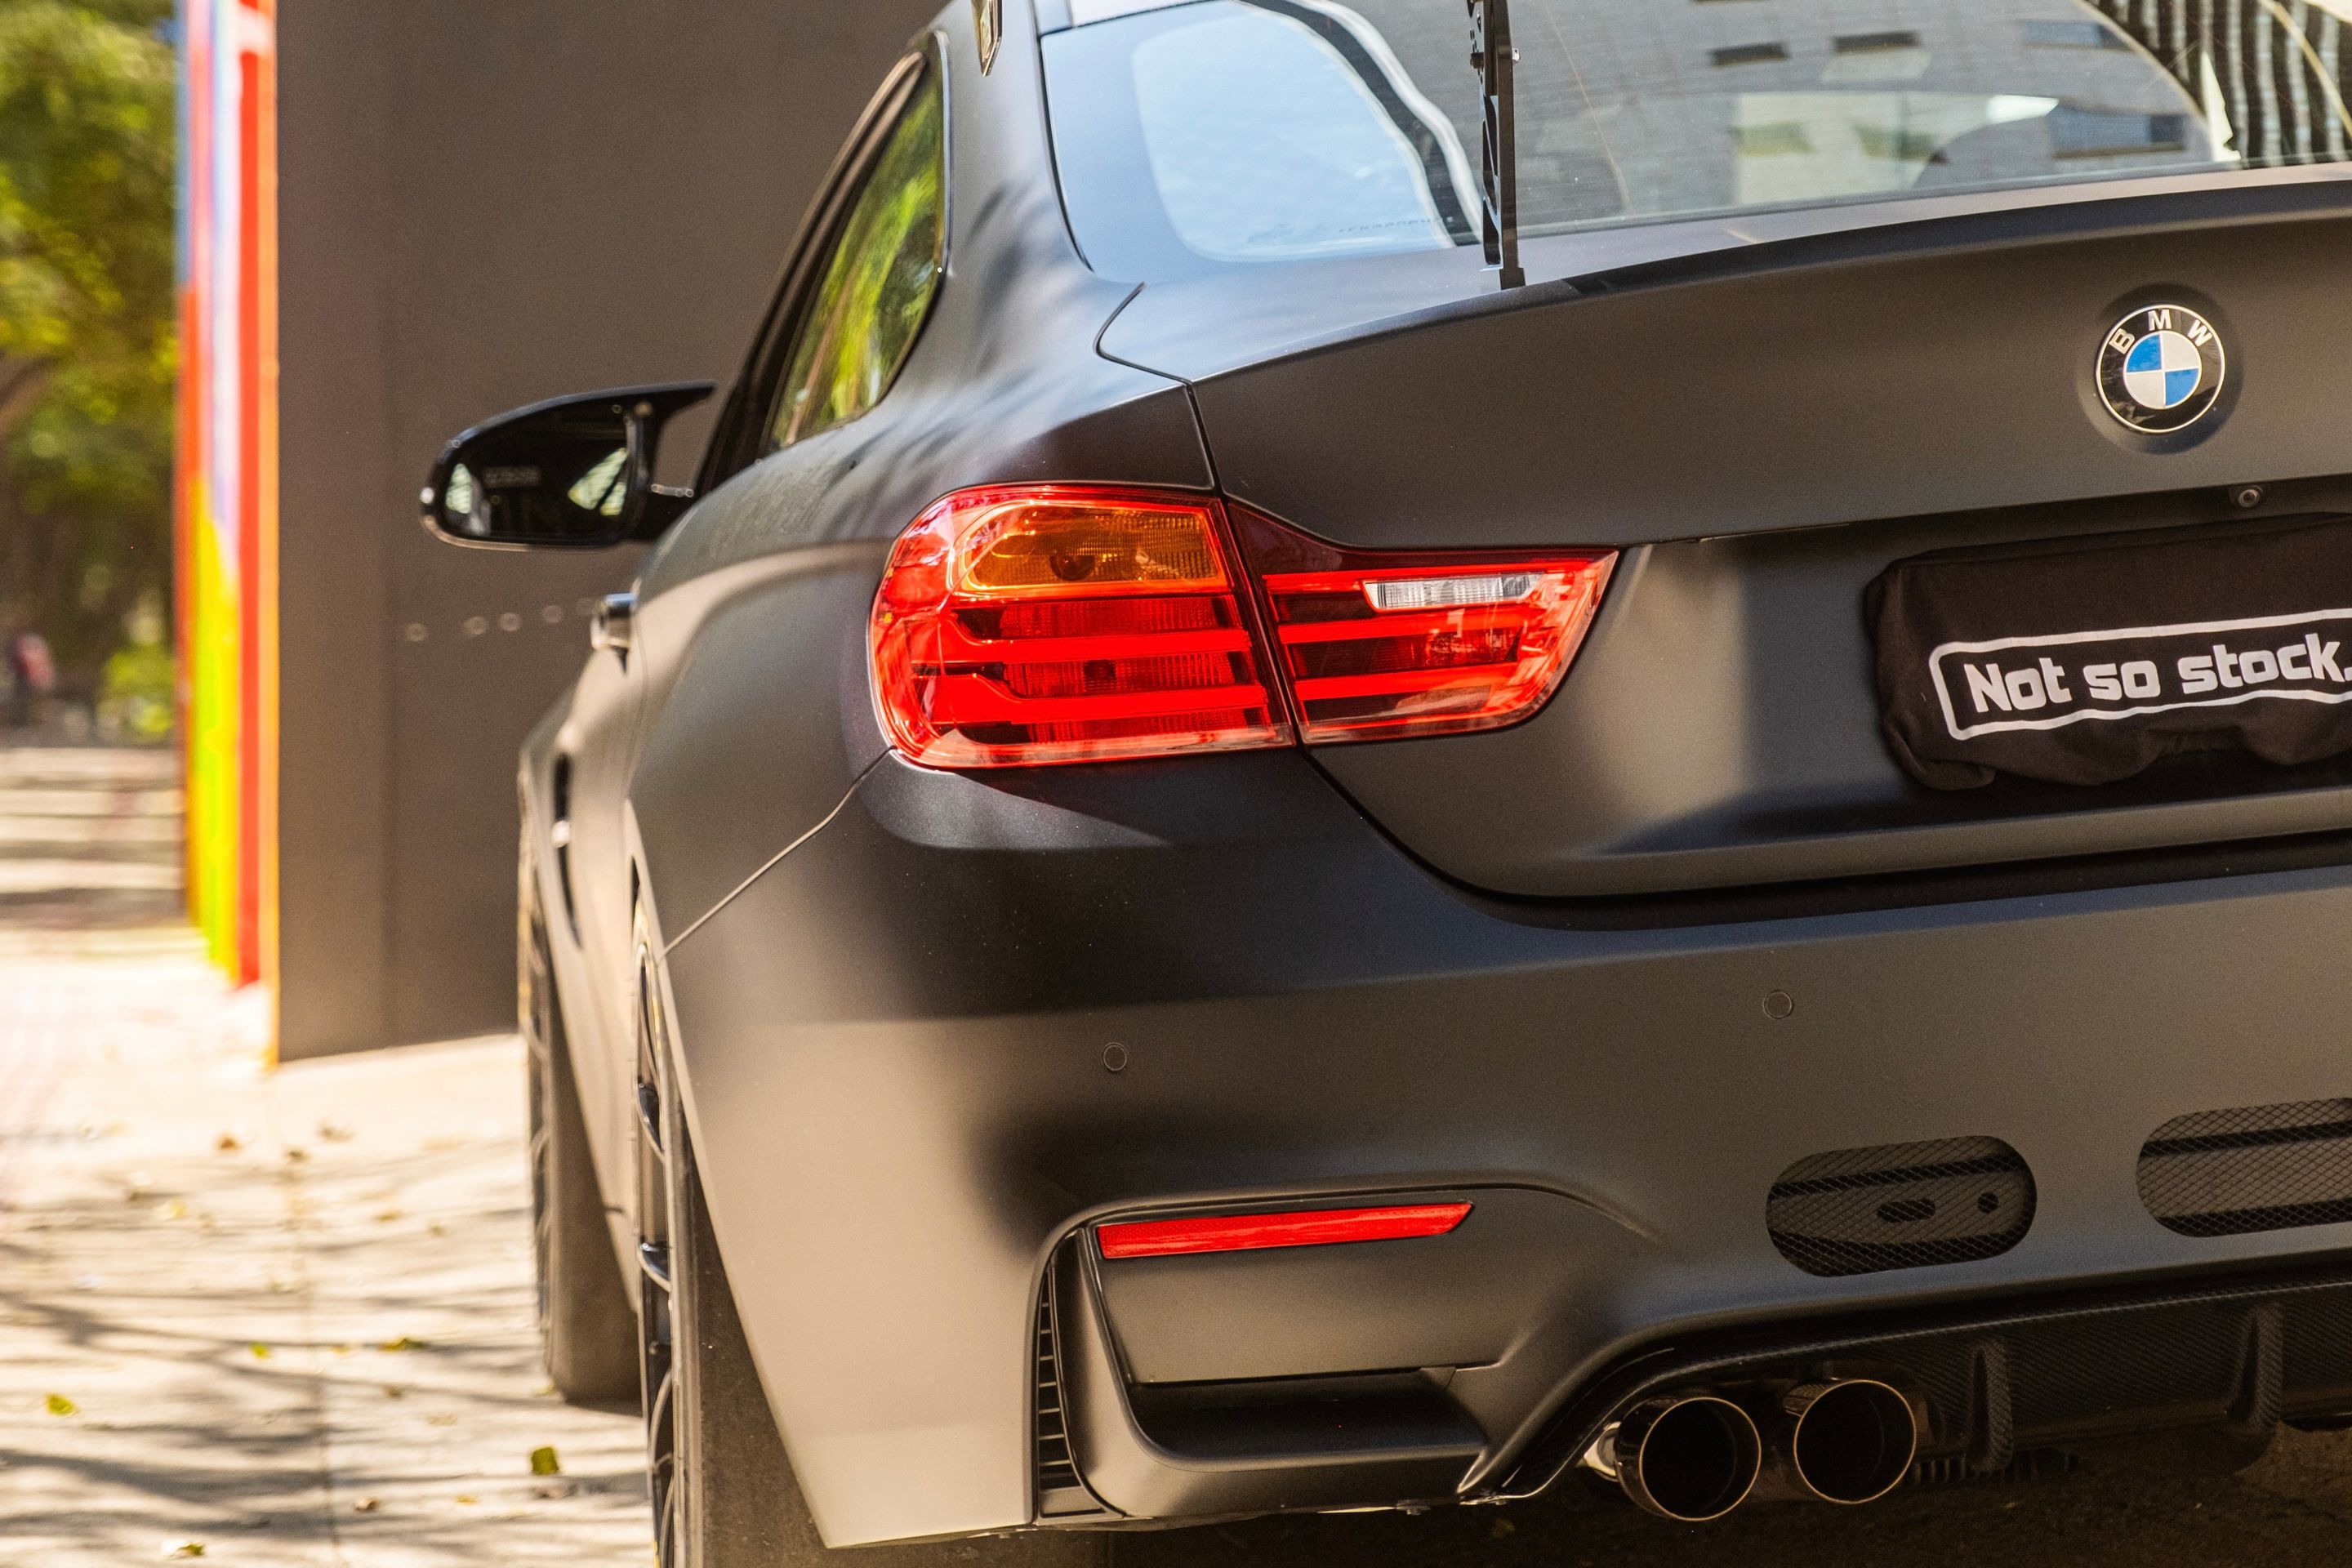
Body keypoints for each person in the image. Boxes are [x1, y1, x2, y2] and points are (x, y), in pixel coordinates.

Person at [7, 631, 55, 729]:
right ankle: (28, 724)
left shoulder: (27, 650)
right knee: (28, 703)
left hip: (32, 680)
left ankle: (35, 724)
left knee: (35, 703)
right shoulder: (30, 649)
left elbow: (43, 666)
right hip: (28, 680)